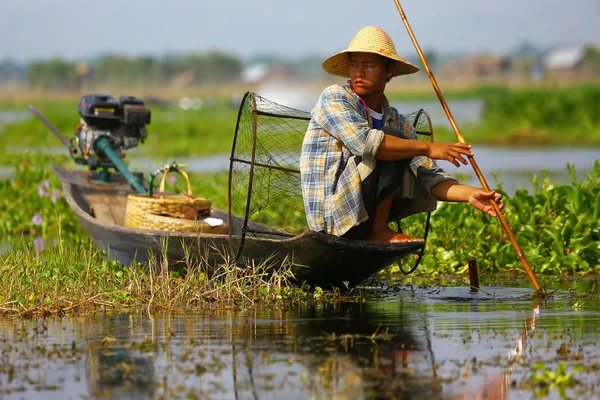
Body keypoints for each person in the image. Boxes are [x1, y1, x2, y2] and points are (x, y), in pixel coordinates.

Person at [300, 26, 503, 243]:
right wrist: (429, 147)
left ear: (389, 71)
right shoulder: (335, 97)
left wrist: (470, 194)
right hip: (334, 217)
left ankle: (377, 229)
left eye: (368, 65)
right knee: (388, 138)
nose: (359, 72)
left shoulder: (397, 121)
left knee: (399, 141)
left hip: (363, 214)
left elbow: (427, 173)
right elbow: (365, 143)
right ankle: (379, 231)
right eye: (354, 64)